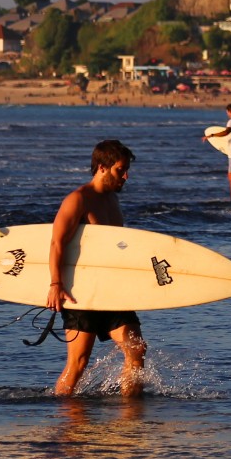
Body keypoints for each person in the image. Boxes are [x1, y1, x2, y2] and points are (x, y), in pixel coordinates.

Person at [47, 138, 147, 396]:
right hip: (83, 293)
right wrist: (56, 285)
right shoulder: (78, 199)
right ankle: (66, 424)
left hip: (112, 290)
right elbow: (57, 243)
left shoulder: (112, 199)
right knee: (78, 364)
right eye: (120, 170)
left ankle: (130, 420)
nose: (125, 176)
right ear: (102, 167)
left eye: (126, 171)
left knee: (136, 351)